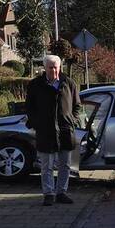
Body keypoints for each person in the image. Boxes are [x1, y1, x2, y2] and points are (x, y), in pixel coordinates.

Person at [25, 54, 82, 206]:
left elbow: (77, 105)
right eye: (50, 68)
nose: (54, 70)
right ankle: (48, 193)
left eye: (56, 67)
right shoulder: (35, 85)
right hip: (46, 131)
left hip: (65, 130)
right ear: (45, 68)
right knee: (46, 166)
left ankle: (62, 192)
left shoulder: (68, 83)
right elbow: (30, 108)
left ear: (60, 67)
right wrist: (37, 123)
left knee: (65, 165)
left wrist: (73, 121)